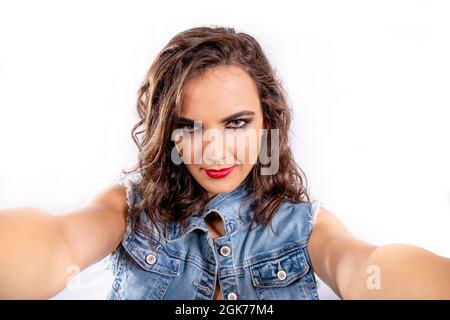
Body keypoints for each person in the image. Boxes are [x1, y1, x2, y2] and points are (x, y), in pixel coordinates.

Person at [0, 26, 448, 300]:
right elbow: (58, 243)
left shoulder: (306, 228)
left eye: (236, 123)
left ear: (267, 120)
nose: (214, 152)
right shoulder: (127, 212)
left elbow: (363, 268)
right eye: (191, 128)